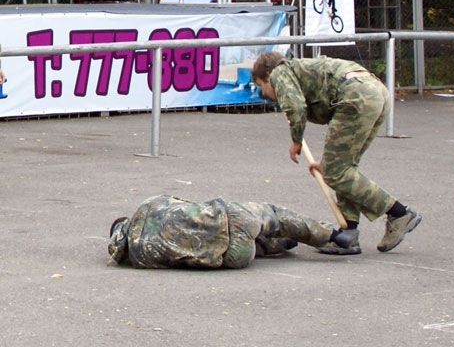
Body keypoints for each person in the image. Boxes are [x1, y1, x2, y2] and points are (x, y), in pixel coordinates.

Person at [251, 52, 422, 255]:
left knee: (336, 173)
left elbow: (295, 106)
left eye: (262, 86)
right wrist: (330, 163)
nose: (266, 93)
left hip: (355, 96)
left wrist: (296, 140)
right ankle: (348, 233)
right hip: (375, 93)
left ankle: (399, 213)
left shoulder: (279, 72)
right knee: (344, 170)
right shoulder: (301, 69)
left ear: (267, 75)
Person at [107, 195, 359, 269]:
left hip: (230, 257)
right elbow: (185, 203)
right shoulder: (149, 205)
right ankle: (334, 236)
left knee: (249, 246)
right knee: (273, 214)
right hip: (230, 220)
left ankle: (276, 245)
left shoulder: (140, 257)